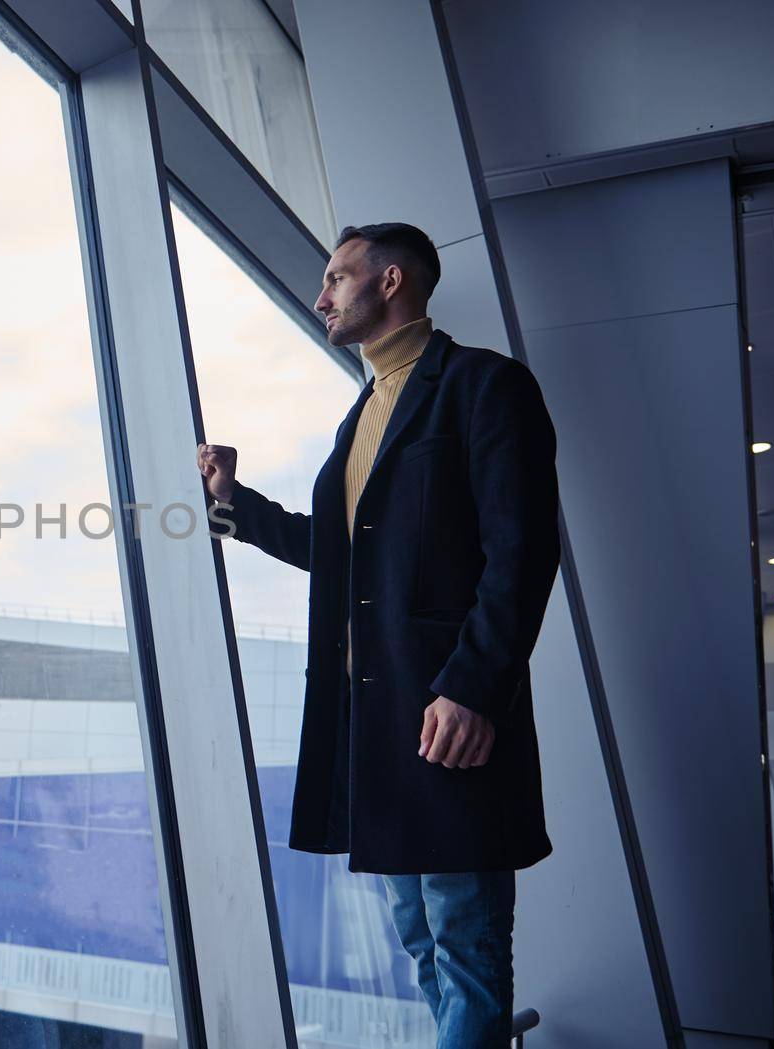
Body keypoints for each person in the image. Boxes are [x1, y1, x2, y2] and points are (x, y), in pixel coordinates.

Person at [197, 222, 560, 1048]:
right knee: (422, 942)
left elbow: (525, 548)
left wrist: (473, 686)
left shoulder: (484, 386)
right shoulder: (357, 419)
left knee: (466, 941)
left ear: (391, 280)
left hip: (448, 710)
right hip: (378, 722)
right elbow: (335, 557)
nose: (321, 296)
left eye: (337, 277)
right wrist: (233, 499)